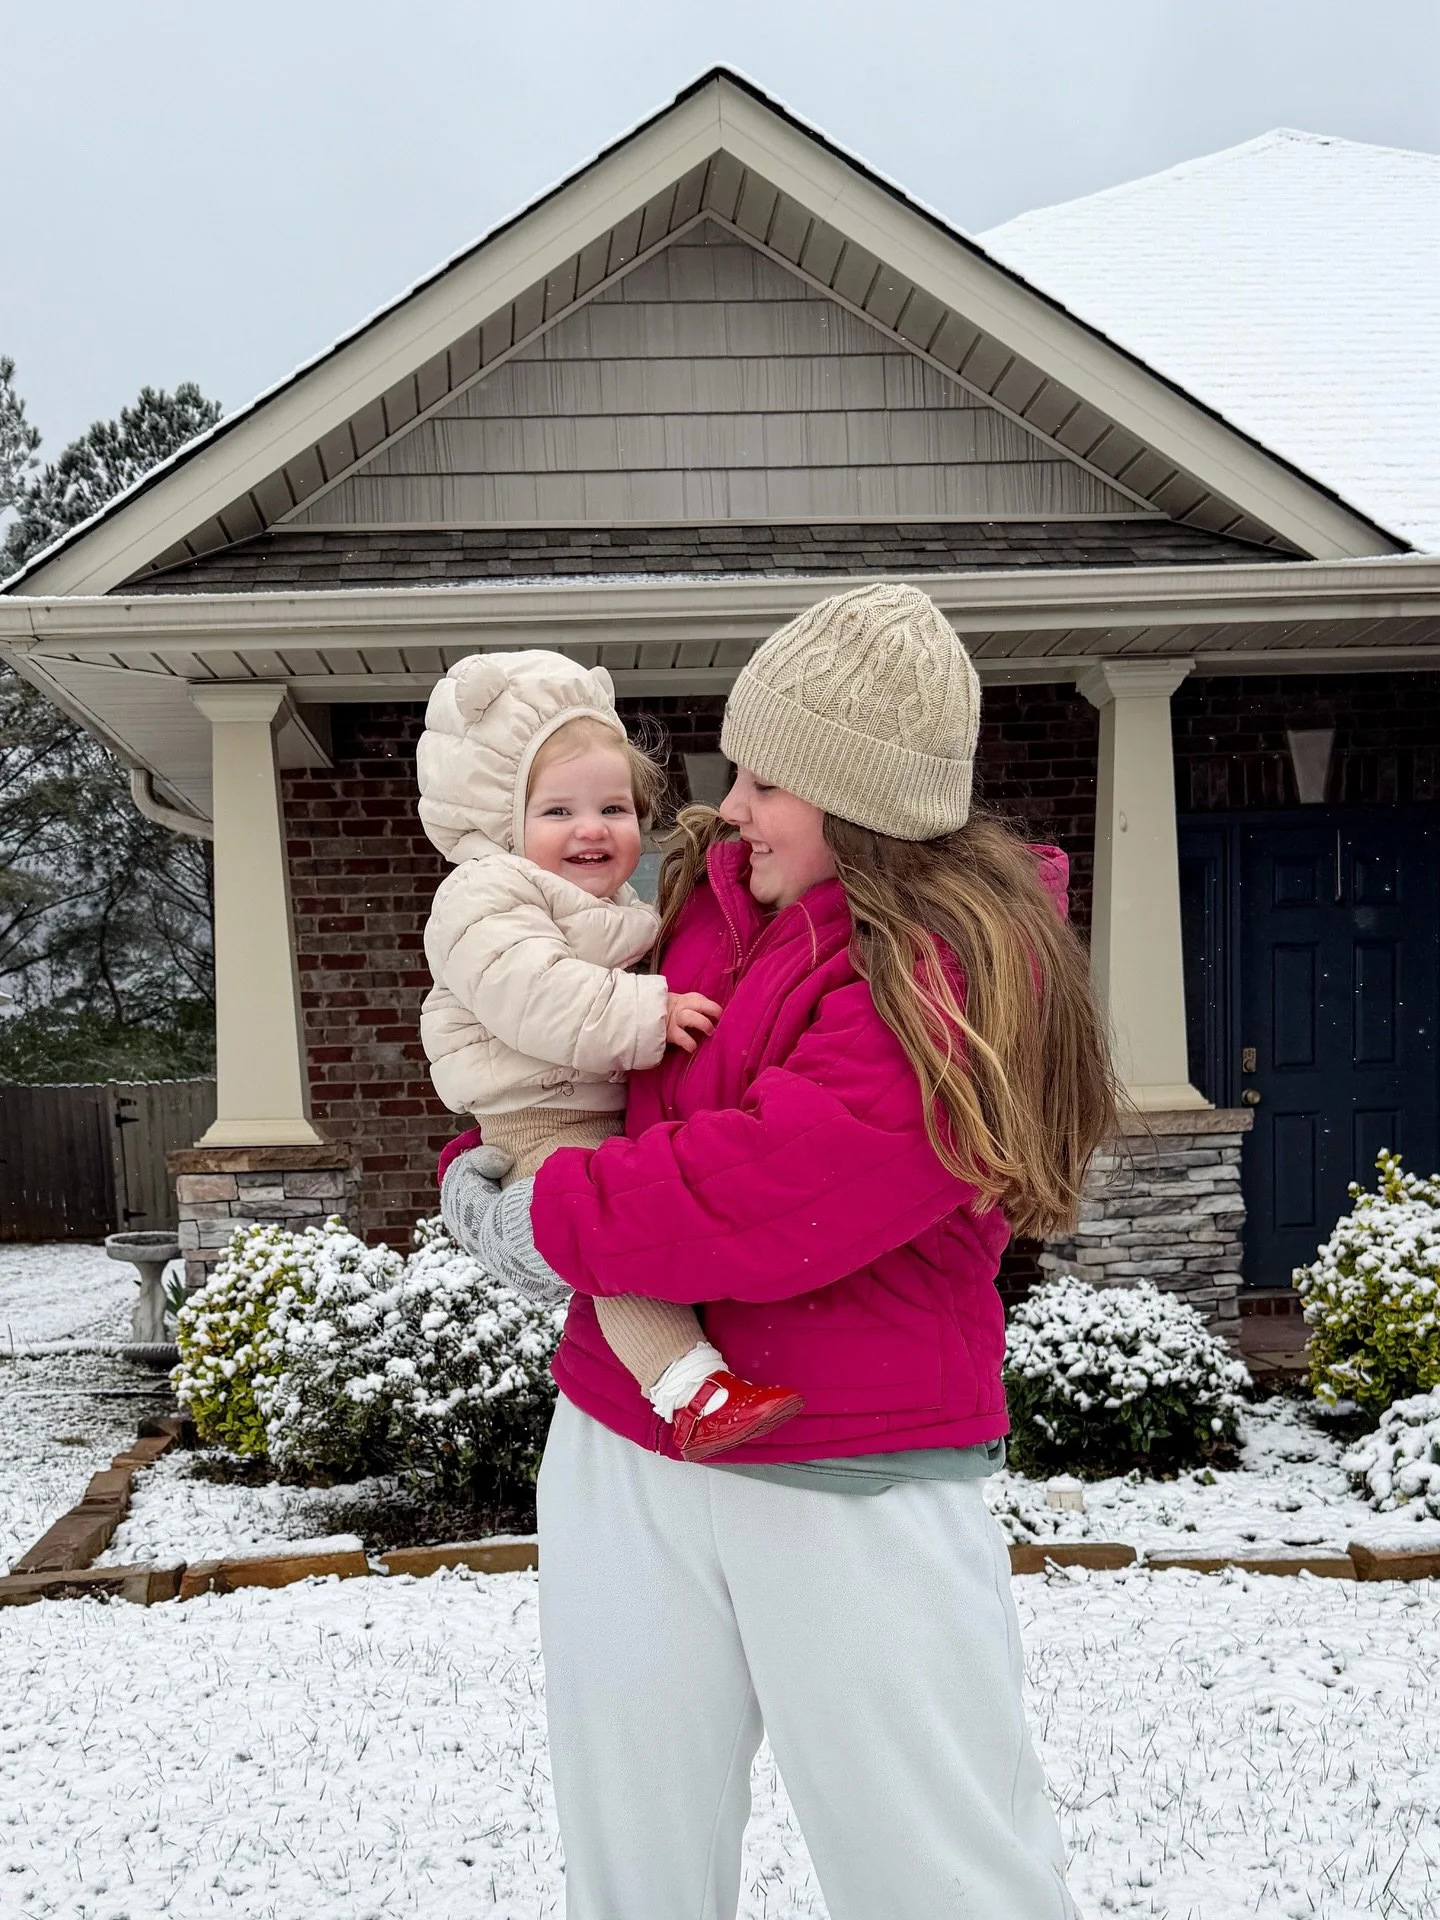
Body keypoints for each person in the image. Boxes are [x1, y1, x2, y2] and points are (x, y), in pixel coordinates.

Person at [442, 583, 1117, 1919]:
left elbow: (762, 1197)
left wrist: (540, 1221)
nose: (730, 804)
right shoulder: (719, 898)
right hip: (624, 1442)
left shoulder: (959, 964)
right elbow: (566, 1052)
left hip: (844, 1482)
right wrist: (487, 1157)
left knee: (938, 1873)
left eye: (769, 780)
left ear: (860, 800)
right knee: (634, 1865)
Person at [418, 648, 804, 1461]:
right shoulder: (485, 894)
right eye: (557, 811)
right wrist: (647, 1011)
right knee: (611, 1250)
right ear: (502, 823)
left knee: (625, 1224)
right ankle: (691, 1390)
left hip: (589, 1101)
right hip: (537, 1114)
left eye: (615, 808)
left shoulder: (614, 902)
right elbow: (532, 991)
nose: (592, 828)